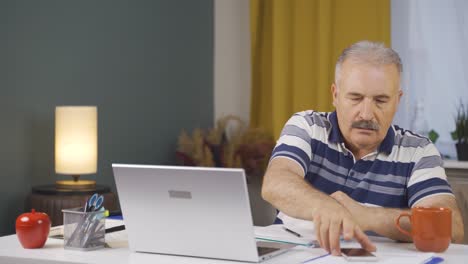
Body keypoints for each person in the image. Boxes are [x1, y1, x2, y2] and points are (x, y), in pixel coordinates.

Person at [261, 40, 464, 256]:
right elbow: (275, 183)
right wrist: (327, 207)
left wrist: (368, 216)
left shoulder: (419, 151)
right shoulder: (307, 126)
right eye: (356, 98)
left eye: (381, 100)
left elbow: (451, 227)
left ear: (397, 101)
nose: (366, 114)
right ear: (335, 95)